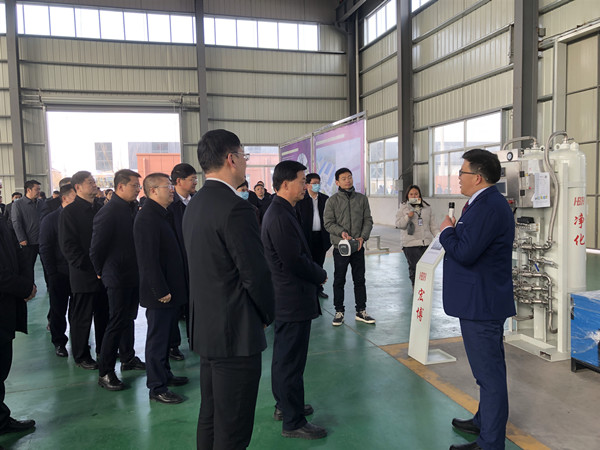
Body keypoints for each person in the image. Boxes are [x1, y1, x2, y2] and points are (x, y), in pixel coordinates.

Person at [183, 129, 274, 449]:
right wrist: (266, 314)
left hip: (206, 329)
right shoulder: (236, 208)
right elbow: (255, 274)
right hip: (236, 332)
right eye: (244, 156)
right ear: (231, 159)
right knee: (233, 426)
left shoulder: (195, 204)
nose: (246, 163)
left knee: (211, 415)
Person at [439, 149, 515, 450]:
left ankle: (490, 443)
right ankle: (484, 421)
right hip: (481, 299)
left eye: (462, 172)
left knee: (489, 375)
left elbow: (465, 252)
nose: (459, 177)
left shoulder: (488, 207)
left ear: (478, 177)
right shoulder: (482, 203)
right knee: (488, 372)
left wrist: (447, 231)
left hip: (482, 303)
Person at [262, 161, 328, 440]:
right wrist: (320, 274)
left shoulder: (284, 210)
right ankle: (293, 421)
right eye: (302, 181)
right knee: (290, 362)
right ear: (286, 183)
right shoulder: (279, 215)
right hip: (291, 297)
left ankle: (286, 406)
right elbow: (294, 260)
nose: (306, 186)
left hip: (289, 297)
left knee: (285, 358)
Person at [134, 173, 189, 404]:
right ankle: (157, 387)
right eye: (168, 186)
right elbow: (148, 260)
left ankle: (165, 374)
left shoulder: (163, 214)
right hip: (161, 293)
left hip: (171, 289)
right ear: (153, 190)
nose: (172, 189)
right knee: (157, 340)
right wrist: (160, 290)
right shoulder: (147, 218)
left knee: (166, 337)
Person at [90, 169, 146, 391]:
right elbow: (96, 248)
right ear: (120, 187)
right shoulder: (109, 212)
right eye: (134, 186)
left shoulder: (132, 208)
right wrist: (101, 271)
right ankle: (105, 371)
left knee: (128, 318)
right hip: (117, 275)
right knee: (116, 322)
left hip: (131, 274)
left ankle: (128, 357)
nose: (138, 190)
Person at [58, 171, 109, 370]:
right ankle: (81, 355)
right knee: (82, 318)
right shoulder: (69, 213)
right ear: (78, 187)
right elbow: (69, 247)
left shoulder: (100, 208)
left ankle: (104, 350)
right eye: (90, 182)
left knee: (104, 314)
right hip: (84, 275)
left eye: (94, 181)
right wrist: (92, 267)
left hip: (104, 273)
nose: (94, 184)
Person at [323, 168, 375, 326]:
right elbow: (328, 223)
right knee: (339, 279)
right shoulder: (332, 201)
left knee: (359, 279)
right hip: (341, 247)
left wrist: (362, 237)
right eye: (344, 178)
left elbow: (368, 220)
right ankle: (339, 311)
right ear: (337, 182)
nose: (348, 180)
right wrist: (342, 233)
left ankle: (361, 310)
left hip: (358, 246)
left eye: (350, 177)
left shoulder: (362, 199)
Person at [0, 217, 37, 436]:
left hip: (6, 309)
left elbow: (19, 253)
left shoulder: (2, 222)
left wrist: (28, 284)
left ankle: (1, 421)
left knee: (1, 369)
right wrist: (23, 287)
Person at [39, 184, 77, 357]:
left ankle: (79, 341)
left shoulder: (80, 218)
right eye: (75, 197)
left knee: (78, 311)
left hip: (78, 273)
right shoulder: (51, 219)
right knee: (58, 309)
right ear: (65, 198)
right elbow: (45, 248)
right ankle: (59, 342)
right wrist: (52, 273)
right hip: (59, 273)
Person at [166, 162, 198, 362]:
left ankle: (195, 338)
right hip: (177, 263)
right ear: (179, 181)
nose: (195, 182)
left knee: (195, 303)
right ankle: (173, 345)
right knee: (176, 307)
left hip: (196, 261)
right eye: (192, 179)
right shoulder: (170, 205)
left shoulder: (198, 201)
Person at [295, 173, 331, 299]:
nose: (317, 185)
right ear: (307, 185)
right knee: (307, 264)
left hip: (321, 237)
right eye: (314, 183)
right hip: (307, 237)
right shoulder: (301, 200)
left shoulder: (325, 199)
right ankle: (308, 289)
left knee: (319, 264)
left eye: (318, 183)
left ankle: (318, 289)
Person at [395, 185, 437, 287]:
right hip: (410, 244)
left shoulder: (427, 208)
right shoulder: (403, 208)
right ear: (407, 196)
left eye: (416, 194)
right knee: (415, 268)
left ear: (419, 195)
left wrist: (439, 237)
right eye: (411, 194)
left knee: (426, 268)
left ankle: (424, 289)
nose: (414, 196)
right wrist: (407, 217)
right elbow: (399, 224)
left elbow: (433, 225)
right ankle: (416, 288)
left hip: (425, 243)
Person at [11, 179, 43, 282]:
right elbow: (16, 222)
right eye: (37, 189)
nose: (39, 192)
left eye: (39, 189)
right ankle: (30, 287)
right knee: (28, 268)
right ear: (28, 190)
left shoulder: (41, 203)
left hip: (43, 241)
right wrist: (21, 238)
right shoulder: (18, 204)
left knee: (48, 266)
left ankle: (50, 287)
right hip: (28, 242)